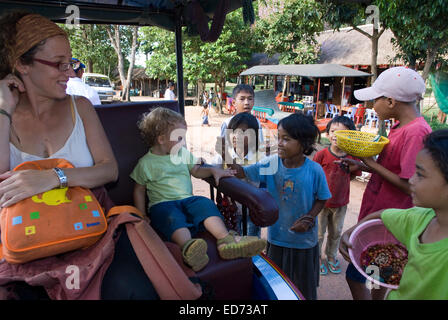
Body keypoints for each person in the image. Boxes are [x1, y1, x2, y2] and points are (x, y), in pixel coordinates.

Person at [0, 12, 125, 299]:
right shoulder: (2, 113)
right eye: (59, 64)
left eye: (71, 63)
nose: (70, 73)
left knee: (132, 287)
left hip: (89, 232)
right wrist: (4, 109)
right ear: (22, 65)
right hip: (27, 244)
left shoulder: (80, 107)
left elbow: (110, 170)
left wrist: (53, 178)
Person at [130, 107, 266, 272]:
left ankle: (226, 240)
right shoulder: (145, 163)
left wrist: (212, 170)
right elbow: (139, 189)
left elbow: (196, 171)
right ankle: (189, 247)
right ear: (161, 139)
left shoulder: (182, 154)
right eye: (180, 137)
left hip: (187, 199)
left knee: (205, 203)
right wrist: (141, 214)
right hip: (163, 203)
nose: (183, 142)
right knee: (170, 217)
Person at [340, 66, 432, 300]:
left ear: (391, 102)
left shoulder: (416, 133)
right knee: (379, 276)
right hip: (380, 213)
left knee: (359, 274)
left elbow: (410, 185)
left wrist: (370, 163)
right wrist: (362, 165)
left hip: (391, 220)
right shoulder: (400, 127)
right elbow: (391, 169)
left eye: (375, 100)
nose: (372, 106)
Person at [231, 113, 332, 300]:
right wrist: (232, 157)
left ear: (304, 143)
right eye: (279, 137)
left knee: (303, 287)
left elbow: (322, 198)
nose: (279, 143)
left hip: (304, 241)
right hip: (277, 237)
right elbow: (242, 172)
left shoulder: (314, 170)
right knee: (277, 284)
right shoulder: (271, 164)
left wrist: (310, 217)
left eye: (286, 139)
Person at [340, 129, 448, 299]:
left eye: (420, 174)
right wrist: (351, 231)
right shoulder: (422, 218)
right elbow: (383, 214)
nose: (411, 180)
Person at [313, 116, 361, 275]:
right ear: (327, 134)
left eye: (342, 133)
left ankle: (331, 256)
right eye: (333, 131)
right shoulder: (321, 155)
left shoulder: (352, 157)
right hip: (321, 203)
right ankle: (318, 258)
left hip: (340, 203)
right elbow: (314, 176)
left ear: (350, 137)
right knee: (319, 233)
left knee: (336, 233)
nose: (336, 135)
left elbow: (353, 175)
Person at [212, 112, 263, 236]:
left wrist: (226, 156)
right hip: (229, 210)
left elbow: (242, 173)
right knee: (233, 243)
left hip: (252, 211)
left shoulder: (259, 157)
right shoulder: (221, 156)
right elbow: (213, 171)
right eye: (233, 131)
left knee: (251, 243)